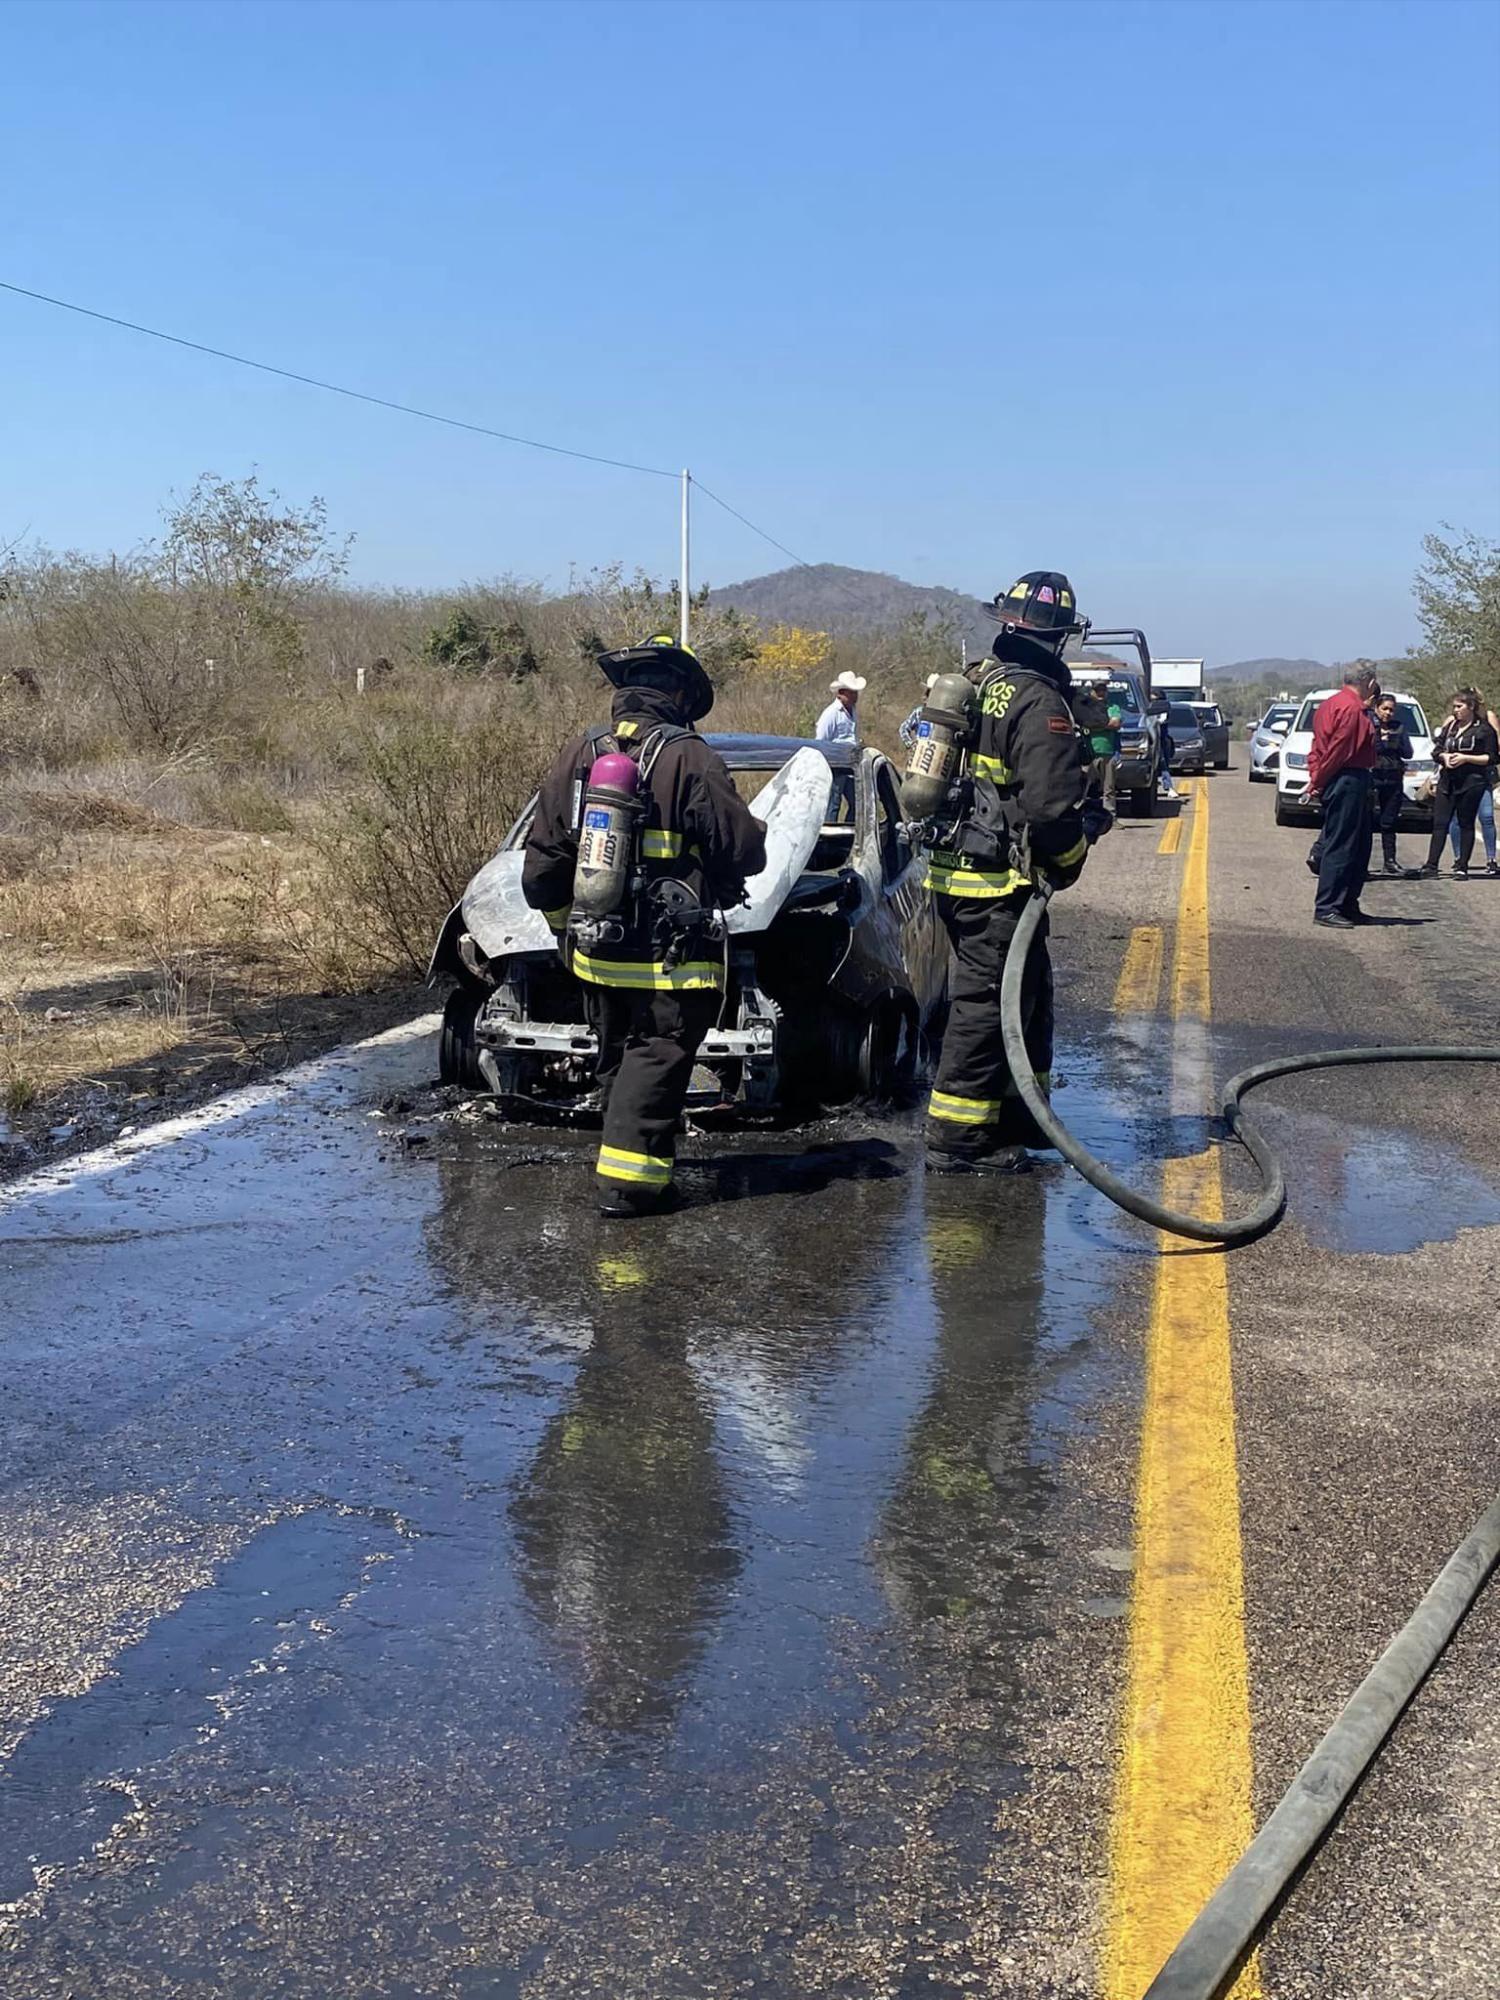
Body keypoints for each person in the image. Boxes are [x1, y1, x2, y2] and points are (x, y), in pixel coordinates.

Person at [522, 635, 766, 1217]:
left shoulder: (580, 752)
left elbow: (543, 862)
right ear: (678, 693)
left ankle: (629, 1159)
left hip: (597, 949)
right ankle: (629, 1185)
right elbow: (743, 852)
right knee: (657, 1053)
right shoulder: (690, 757)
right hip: (669, 957)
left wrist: (564, 927)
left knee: (620, 1055)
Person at [923, 570, 1091, 1175]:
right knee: (984, 1003)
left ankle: (1024, 1114)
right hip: (996, 880)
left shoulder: (982, 682)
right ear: (1060, 638)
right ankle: (958, 1137)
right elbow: (1049, 808)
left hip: (963, 871)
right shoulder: (1040, 700)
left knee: (1026, 993)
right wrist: (1071, 861)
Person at [1305, 661, 1379, 927]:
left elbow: (1317, 746)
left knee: (1359, 846)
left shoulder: (1330, 704)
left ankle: (1347, 903)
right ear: (1368, 681)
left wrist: (1317, 774)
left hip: (1346, 776)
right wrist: (1319, 780)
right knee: (1343, 844)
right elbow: (1338, 751)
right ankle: (1327, 906)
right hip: (1347, 777)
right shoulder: (1351, 709)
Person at [1420, 688, 1500, 879]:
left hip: (1472, 782)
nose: (1455, 710)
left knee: (1466, 823)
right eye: (1454, 706)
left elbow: (1492, 758)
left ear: (1470, 707)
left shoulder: (1483, 730)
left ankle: (1462, 865)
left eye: (1459, 706)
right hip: (1448, 781)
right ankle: (1431, 865)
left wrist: (1466, 758)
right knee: (1440, 823)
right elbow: (1436, 749)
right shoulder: (1451, 727)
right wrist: (1444, 757)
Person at [1445, 687, 1499, 876]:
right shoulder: (1452, 723)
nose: (1457, 709)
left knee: (1486, 816)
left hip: (1482, 775)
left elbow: (1495, 746)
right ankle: (1460, 858)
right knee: (1457, 819)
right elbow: (1441, 745)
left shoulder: (1487, 719)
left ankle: (1491, 859)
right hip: (1457, 776)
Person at [1370, 692, 1414, 875]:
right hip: (1373, 777)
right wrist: (1382, 740)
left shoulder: (1399, 727)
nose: (1388, 713)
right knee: (1366, 821)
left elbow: (1407, 752)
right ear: (1376, 708)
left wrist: (1392, 741)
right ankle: (1361, 862)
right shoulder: (1369, 726)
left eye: (1391, 710)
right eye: (1384, 709)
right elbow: (1372, 748)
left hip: (1393, 778)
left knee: (1389, 822)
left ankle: (1390, 861)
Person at [1071, 679, 1120, 808]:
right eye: (1097, 690)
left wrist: (1093, 724)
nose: (1100, 693)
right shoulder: (1084, 708)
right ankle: (1078, 816)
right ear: (1091, 692)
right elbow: (1081, 722)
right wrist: (1104, 723)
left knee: (1108, 789)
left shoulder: (1113, 707)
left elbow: (1115, 723)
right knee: (1081, 788)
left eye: (1103, 690)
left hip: (1107, 753)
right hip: (1087, 754)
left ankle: (1110, 816)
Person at [815, 671, 866, 743]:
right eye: (851, 693)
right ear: (840, 694)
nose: (854, 696)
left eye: (855, 693)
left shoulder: (853, 711)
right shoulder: (831, 713)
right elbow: (820, 741)